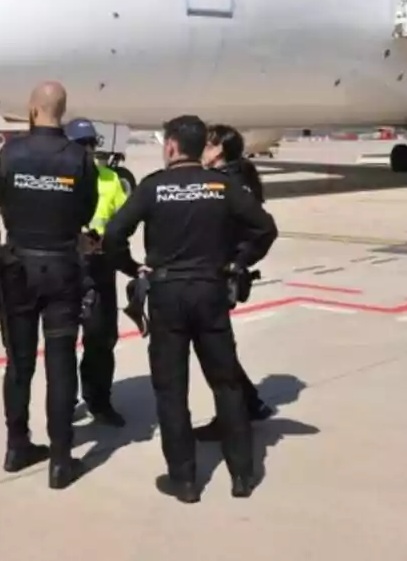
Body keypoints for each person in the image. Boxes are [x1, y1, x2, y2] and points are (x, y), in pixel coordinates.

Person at [103, 115, 278, 503]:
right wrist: (239, 261)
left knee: (171, 389)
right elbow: (265, 229)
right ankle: (242, 475)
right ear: (201, 148)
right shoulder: (223, 186)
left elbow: (115, 234)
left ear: (171, 146)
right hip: (211, 292)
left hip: (167, 295)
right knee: (227, 384)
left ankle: (184, 480)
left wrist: (132, 268)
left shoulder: (153, 187)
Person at [0, 81, 98, 490]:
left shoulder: (11, 153)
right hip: (61, 269)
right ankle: (60, 459)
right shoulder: (79, 158)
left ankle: (17, 445)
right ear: (62, 112)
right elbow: (85, 209)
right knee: (60, 362)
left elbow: (0, 195)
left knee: (18, 363)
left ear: (32, 109)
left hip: (18, 267)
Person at [193, 124, 277, 442]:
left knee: (216, 351)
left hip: (219, 277)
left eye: (208, 144)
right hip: (218, 274)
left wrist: (238, 262)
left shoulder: (230, 184)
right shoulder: (234, 178)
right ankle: (250, 403)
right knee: (217, 349)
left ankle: (233, 416)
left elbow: (262, 231)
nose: (202, 148)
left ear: (219, 150)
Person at [63, 117, 137, 427]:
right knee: (62, 342)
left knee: (101, 340)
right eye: (78, 145)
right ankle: (64, 404)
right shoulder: (60, 179)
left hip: (101, 268)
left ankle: (99, 399)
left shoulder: (110, 180)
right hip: (66, 270)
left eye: (89, 144)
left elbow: (124, 225)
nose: (86, 150)